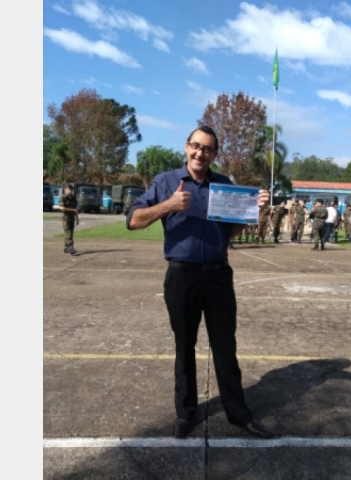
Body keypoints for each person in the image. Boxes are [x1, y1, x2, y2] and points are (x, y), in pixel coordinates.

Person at [126, 125, 274, 440]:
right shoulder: (166, 182)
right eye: (196, 146)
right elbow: (133, 221)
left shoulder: (224, 186)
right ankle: (185, 412)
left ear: (214, 154)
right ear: (186, 147)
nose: (200, 153)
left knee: (225, 346)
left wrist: (253, 211)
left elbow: (230, 233)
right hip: (182, 276)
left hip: (218, 275)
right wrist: (168, 205)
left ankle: (239, 413)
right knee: (185, 346)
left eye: (207, 149)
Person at [60, 184, 79, 254]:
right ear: (65, 190)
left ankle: (66, 247)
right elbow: (62, 208)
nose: (70, 191)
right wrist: (72, 210)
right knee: (69, 234)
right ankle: (70, 248)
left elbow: (75, 209)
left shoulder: (73, 198)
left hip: (72, 218)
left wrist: (77, 218)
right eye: (68, 189)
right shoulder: (63, 197)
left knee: (70, 233)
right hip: (66, 218)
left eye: (71, 189)